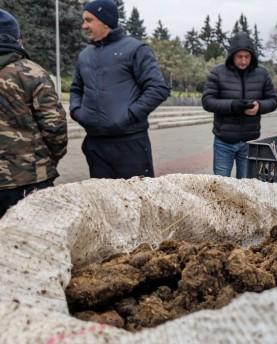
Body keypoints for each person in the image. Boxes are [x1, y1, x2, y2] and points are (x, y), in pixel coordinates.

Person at [70, 0, 170, 179]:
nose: (84, 25)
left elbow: (157, 88)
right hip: (96, 144)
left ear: (105, 21)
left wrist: (129, 116)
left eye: (89, 20)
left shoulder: (136, 49)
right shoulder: (84, 55)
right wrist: (77, 112)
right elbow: (76, 89)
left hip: (130, 144)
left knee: (137, 200)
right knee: (104, 202)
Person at [0, 9, 68, 218]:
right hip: (28, 180)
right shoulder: (31, 72)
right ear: (16, 38)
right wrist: (47, 162)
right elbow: (55, 127)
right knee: (35, 243)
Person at [202, 32, 277, 179]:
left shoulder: (262, 74)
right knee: (221, 186)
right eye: (239, 57)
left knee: (246, 187)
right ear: (232, 55)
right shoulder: (217, 72)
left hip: (250, 141)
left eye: (247, 57)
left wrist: (259, 106)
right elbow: (207, 101)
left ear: (252, 56)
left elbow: (273, 100)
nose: (243, 61)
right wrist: (232, 105)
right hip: (224, 141)